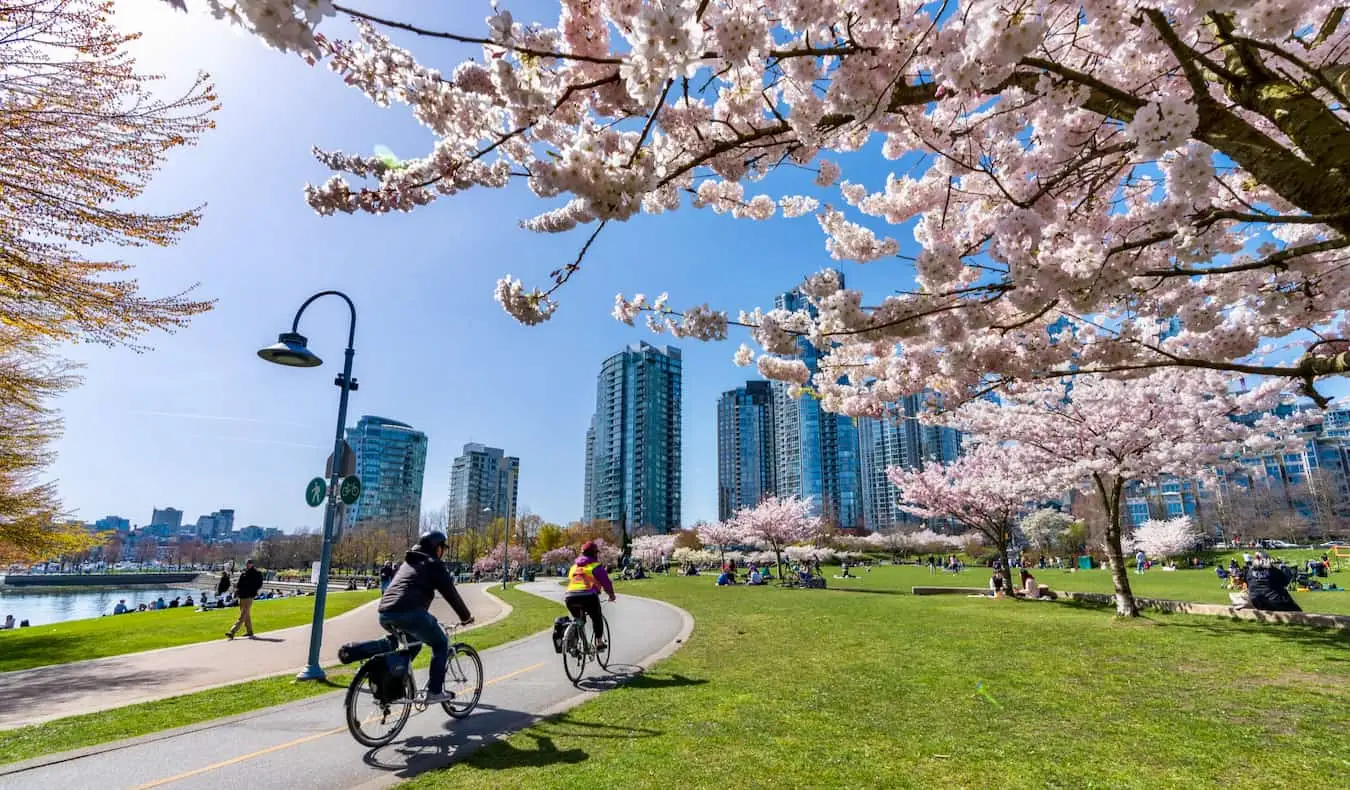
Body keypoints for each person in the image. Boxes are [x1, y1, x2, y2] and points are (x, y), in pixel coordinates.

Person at [379, 531, 474, 704]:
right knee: (441, 643)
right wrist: (466, 617)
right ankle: (435, 691)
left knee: (413, 645)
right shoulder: (433, 564)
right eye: (442, 548)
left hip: (385, 613)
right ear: (437, 548)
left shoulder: (408, 563)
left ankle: (392, 683)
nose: (442, 552)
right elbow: (450, 593)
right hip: (410, 613)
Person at [565, 541, 616, 651]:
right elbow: (606, 583)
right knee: (597, 618)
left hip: (570, 596)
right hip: (589, 596)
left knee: (578, 619)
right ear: (594, 554)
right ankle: (599, 642)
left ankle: (574, 642)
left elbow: (571, 579)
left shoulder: (574, 567)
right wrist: (611, 595)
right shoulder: (596, 566)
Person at [226, 559, 264, 639]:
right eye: (247, 563)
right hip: (242, 596)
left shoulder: (257, 573)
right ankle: (249, 631)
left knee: (242, 615)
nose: (247, 565)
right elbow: (239, 585)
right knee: (246, 615)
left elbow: (259, 584)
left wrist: (252, 590)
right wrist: (236, 591)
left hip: (249, 596)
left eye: (249, 563)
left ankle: (232, 631)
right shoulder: (243, 573)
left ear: (252, 564)